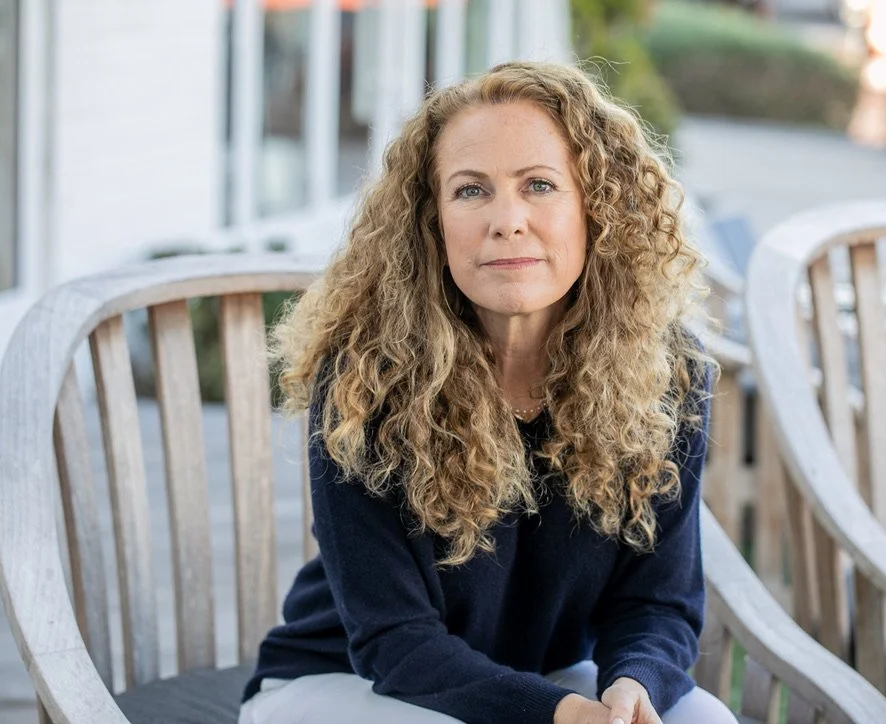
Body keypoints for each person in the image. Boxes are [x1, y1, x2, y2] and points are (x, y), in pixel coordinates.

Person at [239, 61, 737, 724]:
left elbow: (659, 602)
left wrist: (634, 686)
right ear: (431, 222)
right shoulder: (367, 377)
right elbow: (395, 643)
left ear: (597, 208)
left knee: (706, 721)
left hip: (546, 677)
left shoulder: (667, 375)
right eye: (471, 192)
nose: (507, 220)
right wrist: (559, 713)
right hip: (350, 684)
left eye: (539, 185)